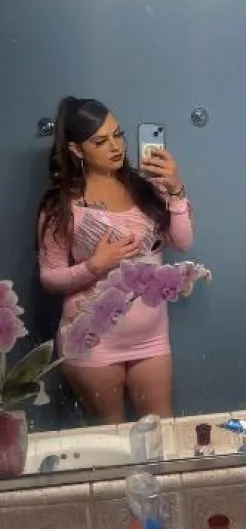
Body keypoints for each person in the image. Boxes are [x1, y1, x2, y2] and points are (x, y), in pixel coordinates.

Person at [37, 96, 193, 423]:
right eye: (100, 141)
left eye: (118, 135)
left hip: (151, 339)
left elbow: (182, 242)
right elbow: (49, 277)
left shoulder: (147, 189)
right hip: (92, 341)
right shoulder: (61, 205)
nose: (115, 147)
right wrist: (94, 266)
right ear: (77, 150)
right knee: (113, 438)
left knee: (161, 432)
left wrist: (176, 189)